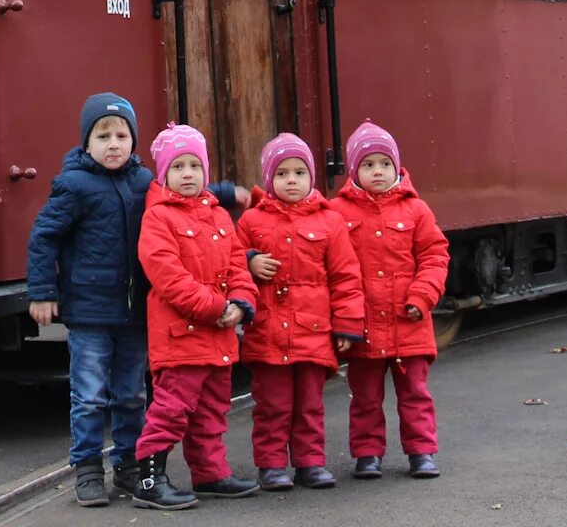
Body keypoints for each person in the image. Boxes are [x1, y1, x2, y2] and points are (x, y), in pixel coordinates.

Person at [27, 96, 247, 508]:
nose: (113, 144)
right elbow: (44, 236)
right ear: (85, 143)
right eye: (103, 136)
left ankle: (130, 466)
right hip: (90, 309)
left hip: (132, 313)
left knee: (131, 394)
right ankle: (89, 468)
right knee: (90, 394)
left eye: (122, 136)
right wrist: (42, 292)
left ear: (134, 141)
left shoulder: (144, 181)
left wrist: (224, 192)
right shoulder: (74, 185)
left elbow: (181, 187)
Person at [128, 123, 259, 510]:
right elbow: (168, 277)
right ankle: (150, 480)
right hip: (180, 337)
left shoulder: (219, 217)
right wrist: (217, 308)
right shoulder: (158, 218)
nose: (188, 174)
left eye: (195, 166)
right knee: (171, 410)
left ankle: (210, 473)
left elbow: (239, 264)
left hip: (217, 337)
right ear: (164, 174)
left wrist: (240, 302)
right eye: (178, 167)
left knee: (212, 411)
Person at [237, 133, 366, 491]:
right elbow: (230, 262)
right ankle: (272, 464)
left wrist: (347, 324)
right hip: (268, 332)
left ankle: (310, 462)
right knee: (272, 404)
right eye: (281, 174)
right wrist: (249, 262)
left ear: (312, 178)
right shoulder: (251, 222)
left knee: (310, 403)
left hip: (313, 330)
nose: (290, 180)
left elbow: (346, 276)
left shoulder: (330, 221)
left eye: (298, 173)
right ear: (269, 179)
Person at [329, 121, 451, 479]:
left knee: (415, 393)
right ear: (354, 171)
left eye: (384, 163)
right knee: (364, 397)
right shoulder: (338, 212)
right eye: (368, 165)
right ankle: (368, 454)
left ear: (397, 166)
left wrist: (423, 295)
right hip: (362, 325)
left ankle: (421, 451)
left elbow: (434, 256)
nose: (377, 171)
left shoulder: (417, 211)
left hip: (408, 322)